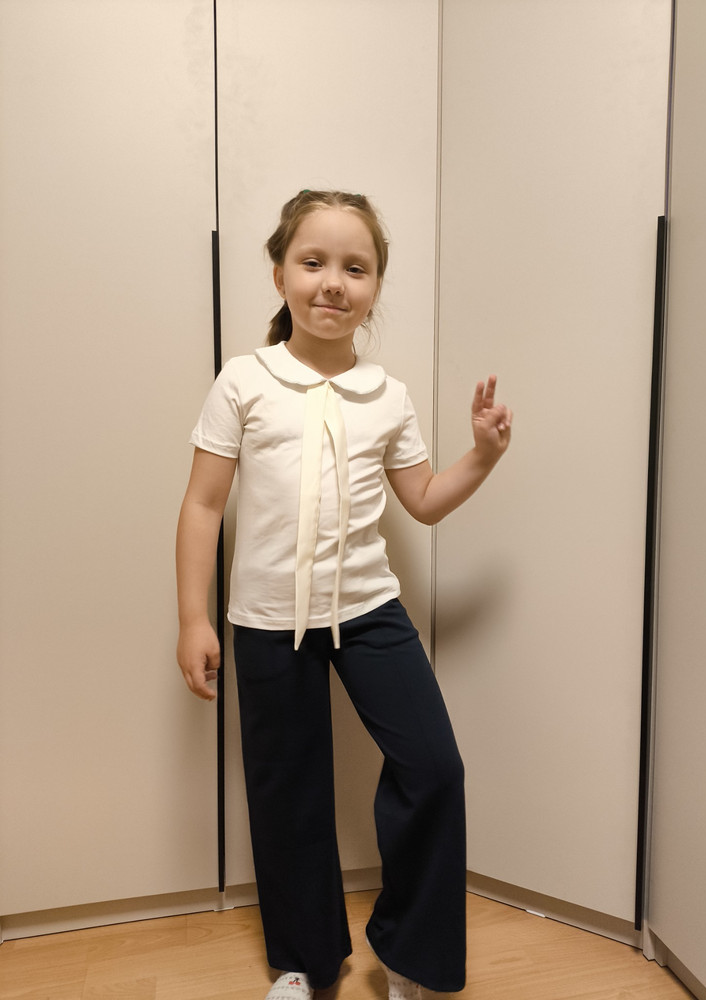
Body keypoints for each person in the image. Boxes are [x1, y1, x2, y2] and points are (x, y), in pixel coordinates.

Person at [176, 190, 513, 1000]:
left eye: (355, 268)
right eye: (313, 262)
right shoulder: (244, 380)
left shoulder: (387, 395)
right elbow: (203, 505)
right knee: (287, 790)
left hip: (368, 612)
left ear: (375, 287)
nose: (333, 282)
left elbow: (422, 500)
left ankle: (411, 958)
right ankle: (305, 961)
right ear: (280, 274)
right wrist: (193, 618)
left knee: (433, 768)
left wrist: (482, 455)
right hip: (267, 621)